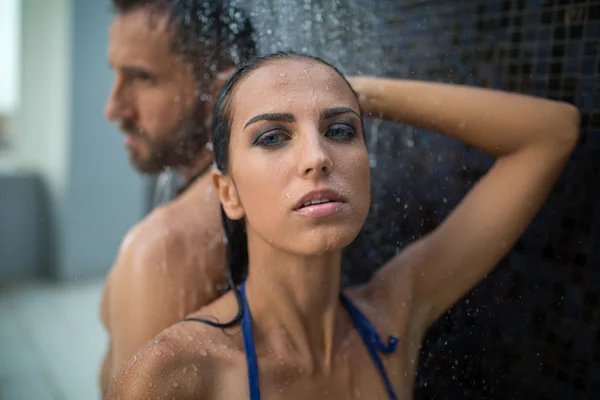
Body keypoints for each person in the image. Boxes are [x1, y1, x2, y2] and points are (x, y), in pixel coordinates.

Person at [107, 51, 579, 399]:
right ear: (228, 193)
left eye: (339, 130)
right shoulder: (175, 373)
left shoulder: (391, 319)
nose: (317, 158)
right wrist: (335, 98)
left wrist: (354, 90)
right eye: (273, 137)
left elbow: (553, 131)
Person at [98, 0, 256, 395]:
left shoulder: (164, 247)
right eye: (116, 75)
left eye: (142, 78)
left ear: (220, 92)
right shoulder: (229, 191)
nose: (113, 108)